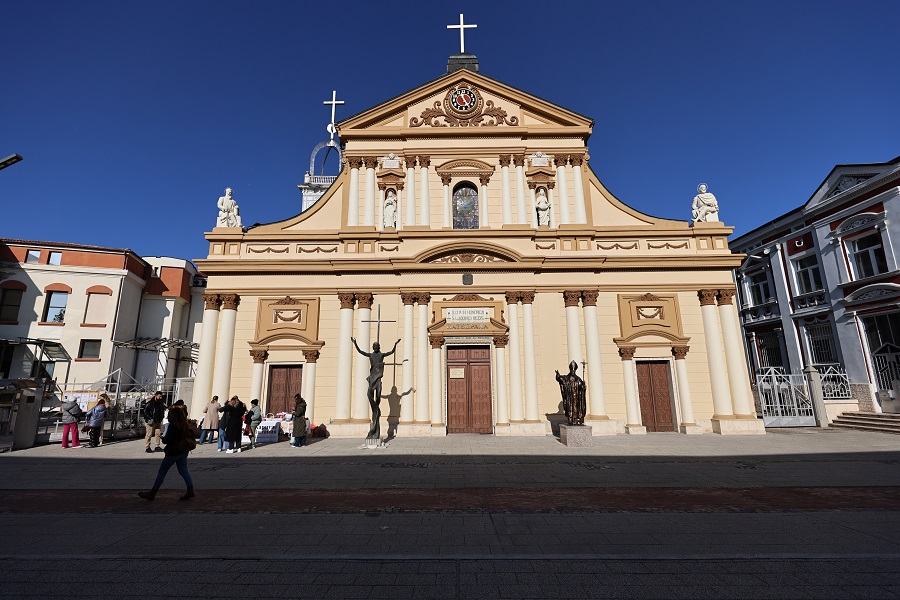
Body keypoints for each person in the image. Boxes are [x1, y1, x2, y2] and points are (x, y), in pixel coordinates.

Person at [137, 406, 196, 501]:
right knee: (183, 470)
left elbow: (168, 440)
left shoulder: (173, 426)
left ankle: (153, 493)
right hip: (183, 451)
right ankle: (190, 489)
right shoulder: (185, 425)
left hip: (173, 452)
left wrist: (163, 438)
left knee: (162, 472)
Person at [351, 337, 400, 440]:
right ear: (373, 347)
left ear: (379, 347)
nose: (376, 347)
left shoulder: (381, 355)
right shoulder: (371, 355)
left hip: (378, 379)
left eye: (377, 346)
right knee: (369, 394)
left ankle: (375, 422)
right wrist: (355, 343)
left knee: (377, 399)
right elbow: (361, 352)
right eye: (374, 346)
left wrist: (395, 344)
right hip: (372, 378)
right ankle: (374, 424)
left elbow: (391, 352)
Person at [555, 360, 587, 426]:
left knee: (577, 409)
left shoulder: (578, 379)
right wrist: (558, 375)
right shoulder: (566, 378)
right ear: (570, 370)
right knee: (570, 409)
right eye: (572, 370)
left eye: (574, 370)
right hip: (569, 398)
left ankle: (577, 420)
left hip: (577, 398)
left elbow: (582, 388)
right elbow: (560, 379)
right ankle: (570, 420)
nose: (573, 372)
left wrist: (583, 387)